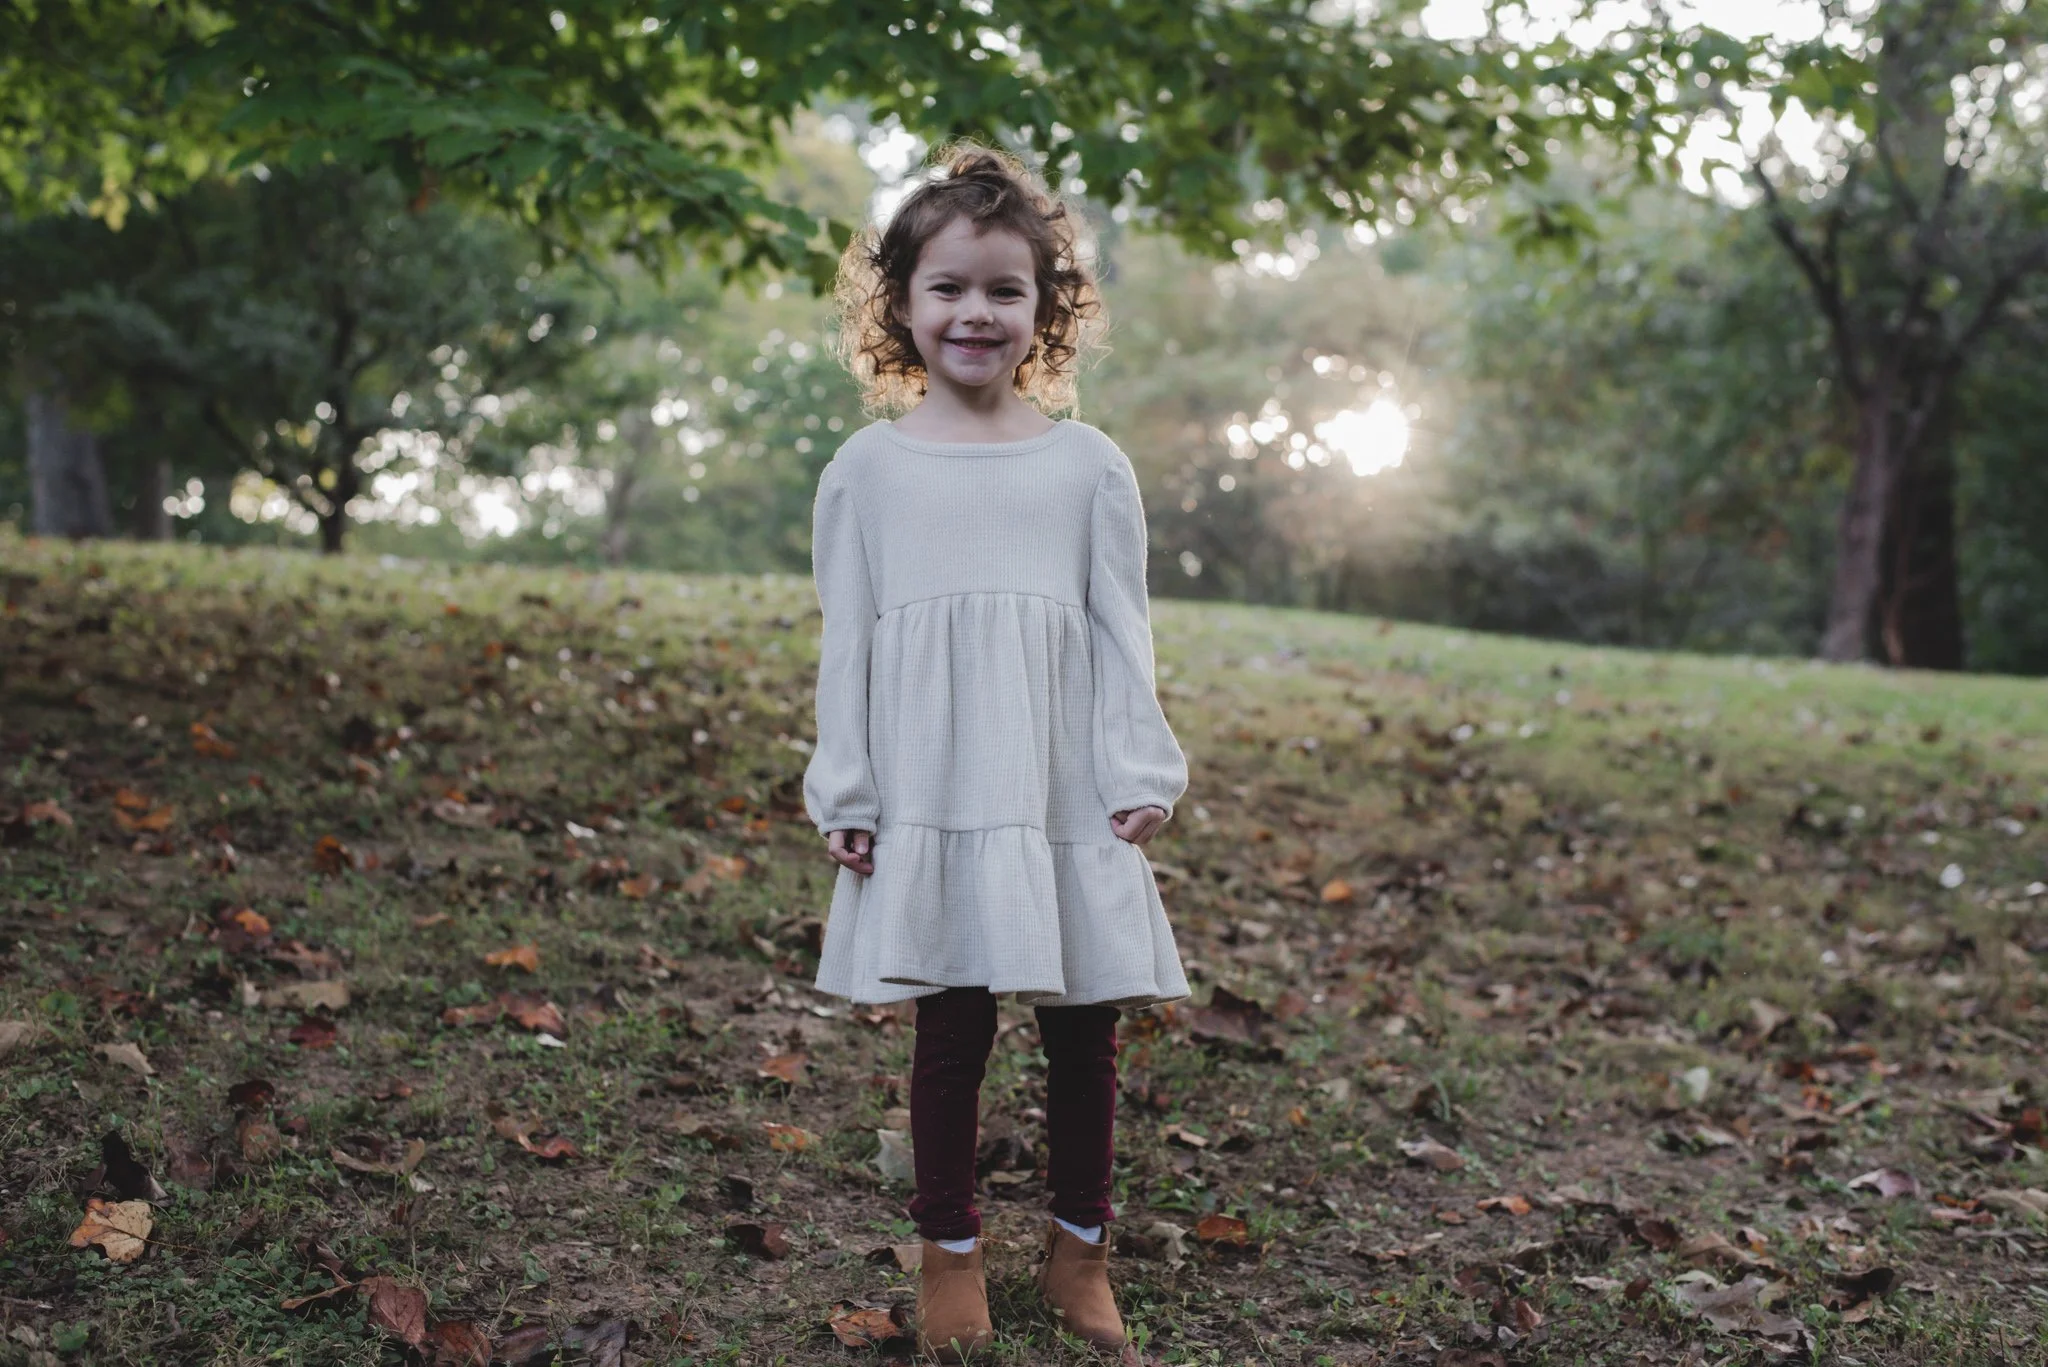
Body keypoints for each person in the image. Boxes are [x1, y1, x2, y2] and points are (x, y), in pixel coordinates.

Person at [802, 140, 1191, 1361]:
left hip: (1061, 783)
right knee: (950, 1033)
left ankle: (1080, 1253)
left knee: (1083, 1029)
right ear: (899, 304)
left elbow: (1122, 631)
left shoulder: (1087, 466)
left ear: (1045, 309)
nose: (975, 312)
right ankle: (949, 1256)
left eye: (1004, 290)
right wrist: (848, 784)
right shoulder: (867, 472)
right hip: (933, 781)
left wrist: (1137, 766)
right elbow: (847, 644)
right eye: (948, 287)